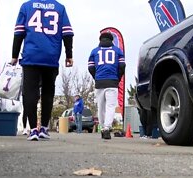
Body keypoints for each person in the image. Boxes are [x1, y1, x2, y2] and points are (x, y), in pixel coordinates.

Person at [11, 0, 74, 141]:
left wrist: (14, 55)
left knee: (29, 93)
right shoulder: (59, 8)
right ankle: (44, 128)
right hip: (51, 57)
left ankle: (33, 129)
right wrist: (69, 55)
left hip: (31, 56)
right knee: (48, 92)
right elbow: (67, 33)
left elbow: (19, 32)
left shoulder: (26, 6)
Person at [88, 32, 125, 140]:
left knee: (101, 106)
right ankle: (106, 128)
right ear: (111, 40)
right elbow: (122, 66)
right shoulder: (118, 51)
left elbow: (90, 67)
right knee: (110, 106)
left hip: (99, 81)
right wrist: (117, 78)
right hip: (112, 81)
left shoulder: (94, 51)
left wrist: (97, 77)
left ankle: (102, 126)